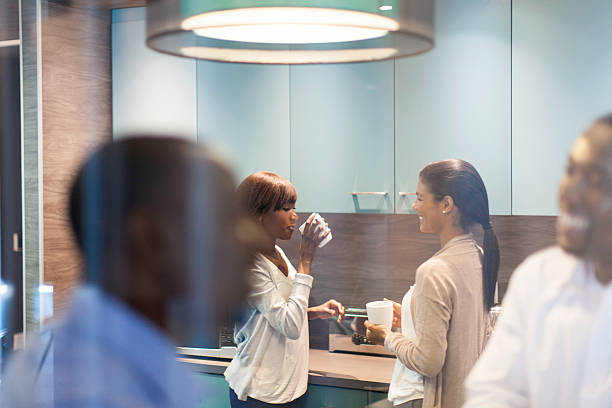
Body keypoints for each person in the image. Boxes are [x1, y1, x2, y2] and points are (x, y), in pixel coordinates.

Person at [0, 136, 257, 407]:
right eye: (225, 219)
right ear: (149, 237)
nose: (253, 240)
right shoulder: (92, 392)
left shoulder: (112, 369)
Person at [463, 114, 612, 408]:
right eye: (571, 171)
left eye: (595, 180)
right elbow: (492, 391)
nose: (569, 191)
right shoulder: (538, 278)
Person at [365, 159, 500, 408]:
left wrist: (386, 337)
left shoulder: (433, 271)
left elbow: (429, 362)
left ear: (446, 204)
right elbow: (468, 328)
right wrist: (410, 313)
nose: (415, 206)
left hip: (429, 399)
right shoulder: (480, 257)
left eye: (420, 197)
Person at [225, 171, 345, 408]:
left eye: (294, 207)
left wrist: (313, 312)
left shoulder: (276, 252)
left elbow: (276, 316)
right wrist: (305, 261)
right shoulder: (250, 264)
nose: (295, 216)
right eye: (285, 208)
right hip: (261, 393)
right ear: (258, 213)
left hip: (289, 389)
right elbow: (289, 326)